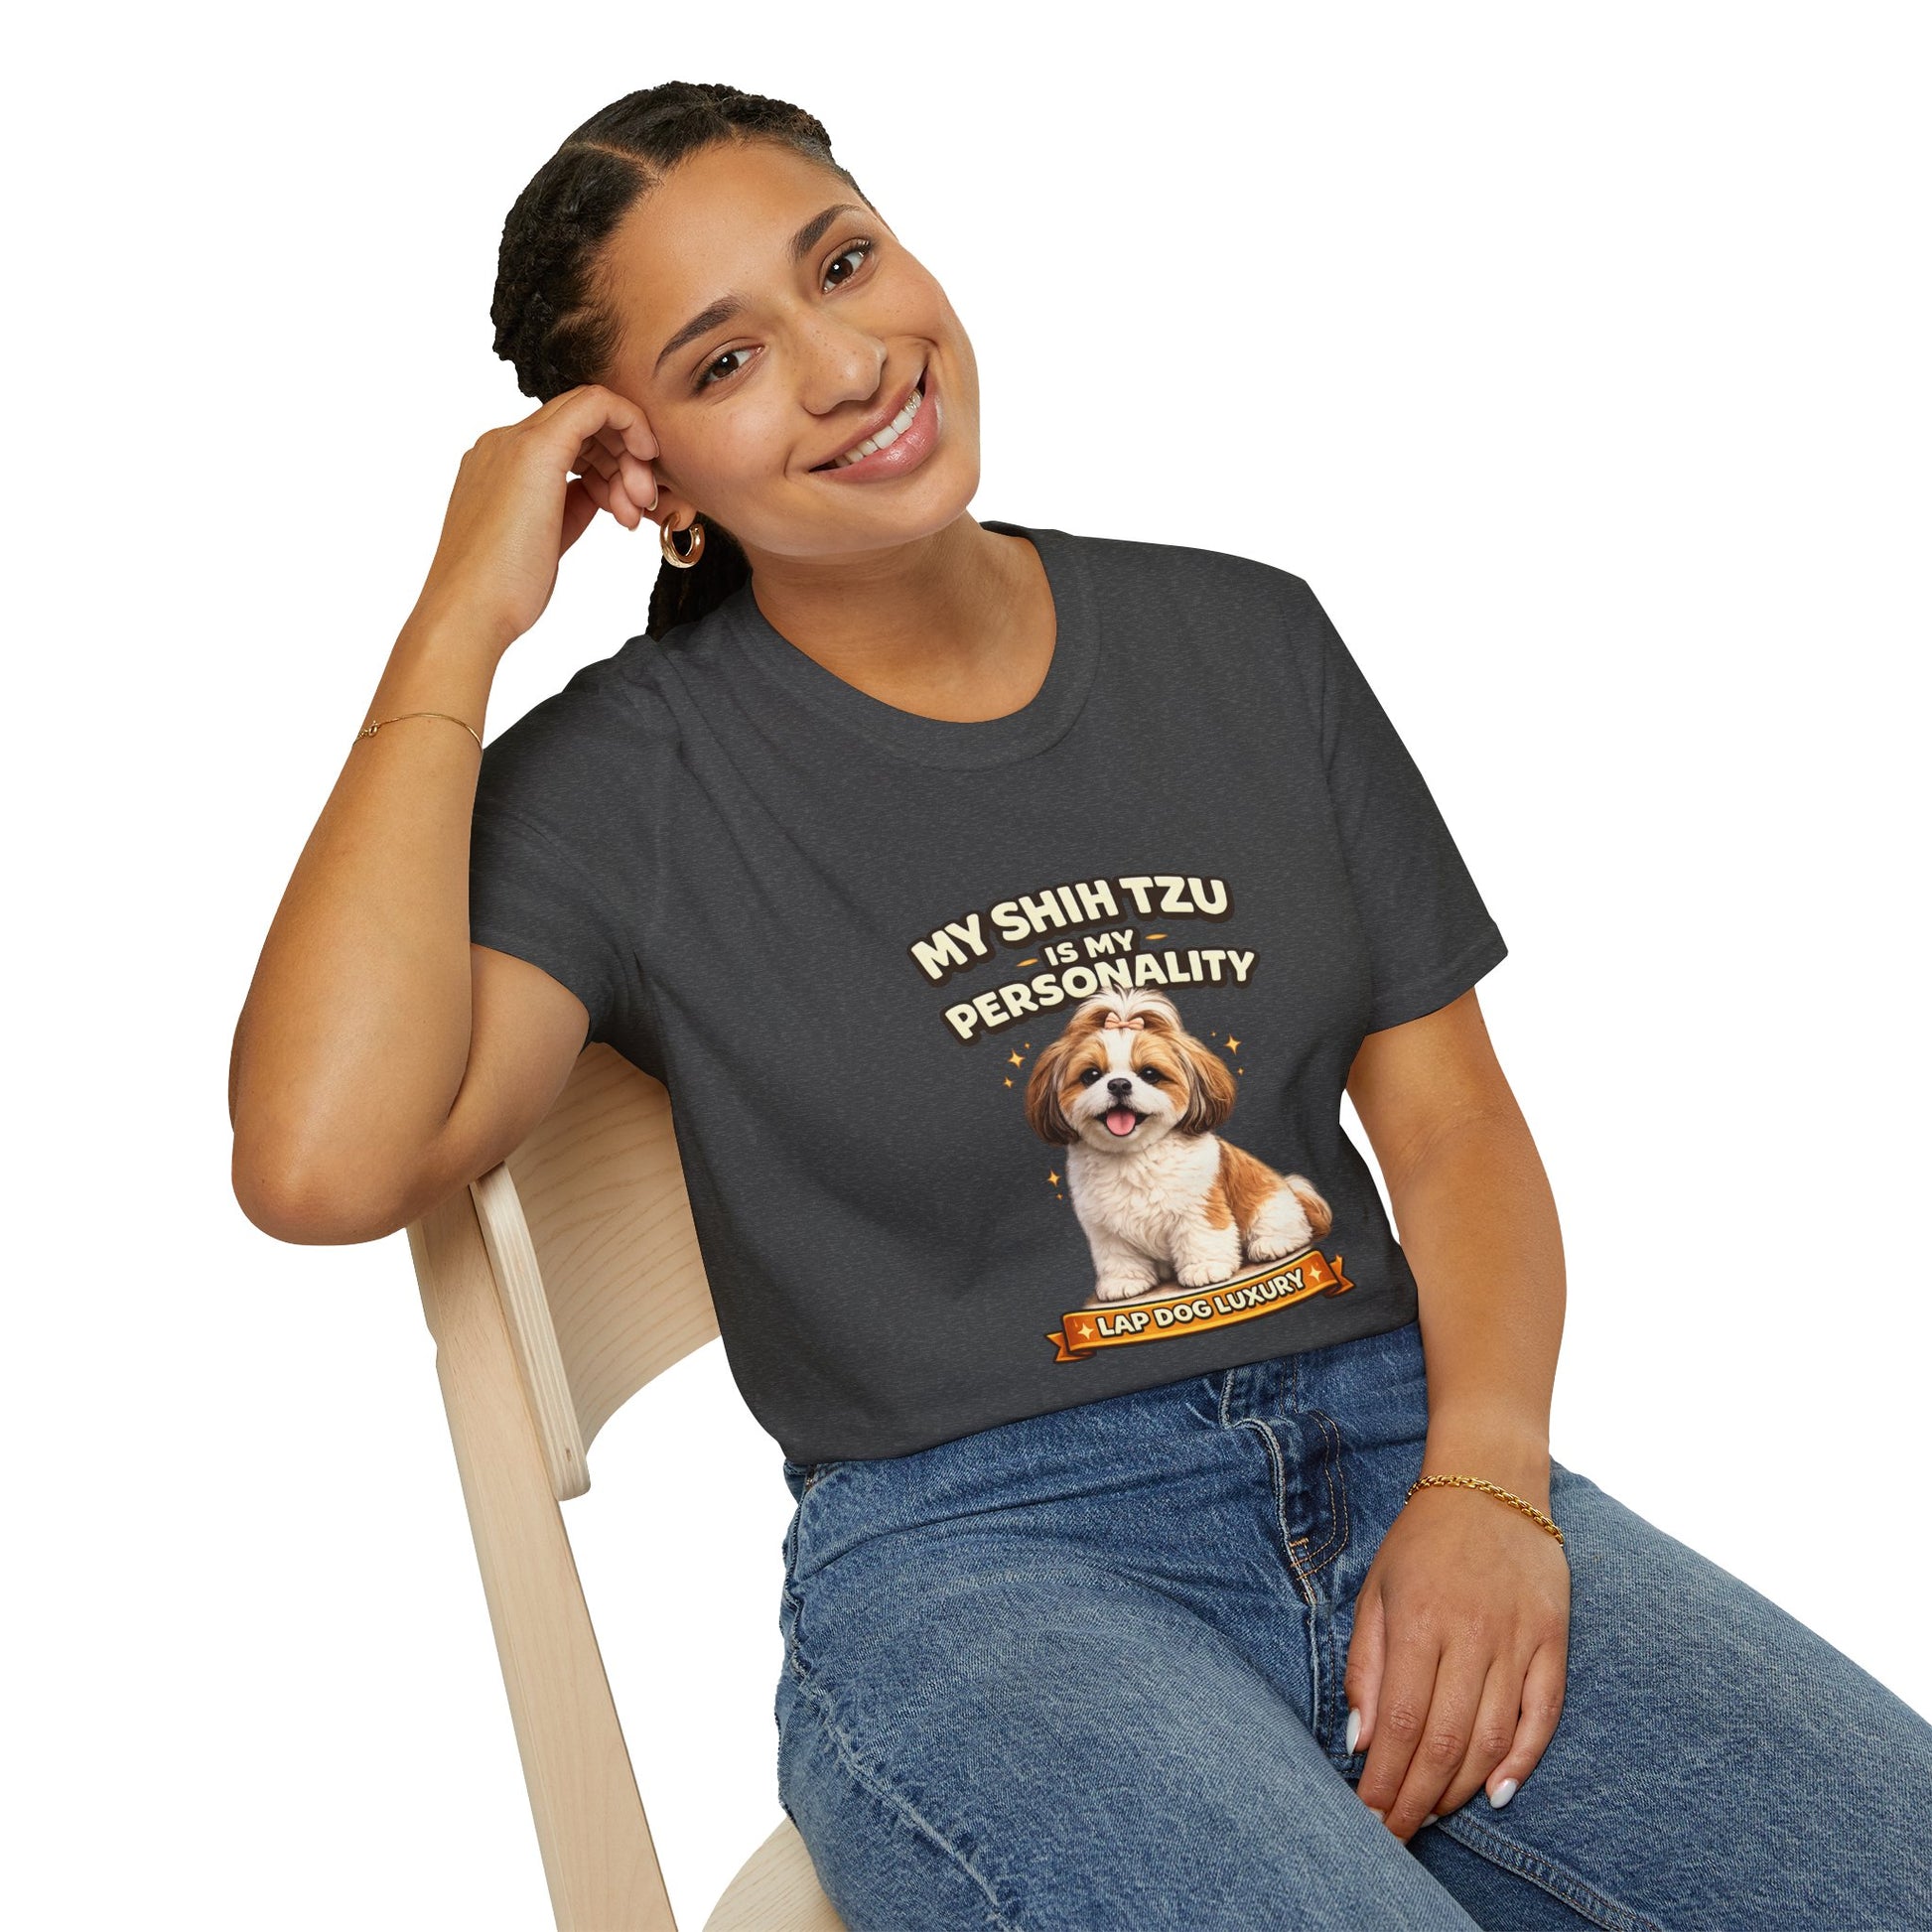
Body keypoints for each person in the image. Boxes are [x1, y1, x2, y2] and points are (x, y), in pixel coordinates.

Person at [228, 80, 1932, 1930]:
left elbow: (1451, 1131)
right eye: (725, 361)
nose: (847, 365)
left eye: (843, 264)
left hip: (1404, 1444)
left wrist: (1490, 1484)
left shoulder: (1247, 640)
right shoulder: (628, 781)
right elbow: (320, 1161)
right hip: (984, 1563)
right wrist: (457, 619)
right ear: (650, 481)